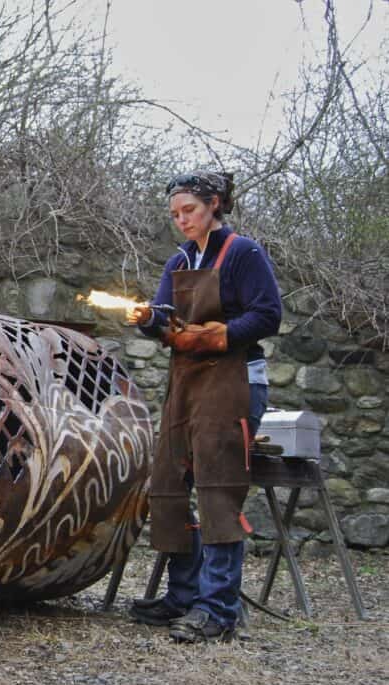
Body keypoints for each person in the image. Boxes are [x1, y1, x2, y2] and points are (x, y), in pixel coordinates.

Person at [125, 170, 282, 643]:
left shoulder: (243, 253)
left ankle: (217, 610)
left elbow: (268, 314)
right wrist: (150, 320)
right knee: (169, 487)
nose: (182, 221)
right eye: (175, 215)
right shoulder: (179, 261)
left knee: (218, 490)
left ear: (214, 204)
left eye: (188, 210)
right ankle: (183, 596)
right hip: (186, 384)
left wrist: (220, 333)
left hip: (234, 382)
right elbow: (166, 319)